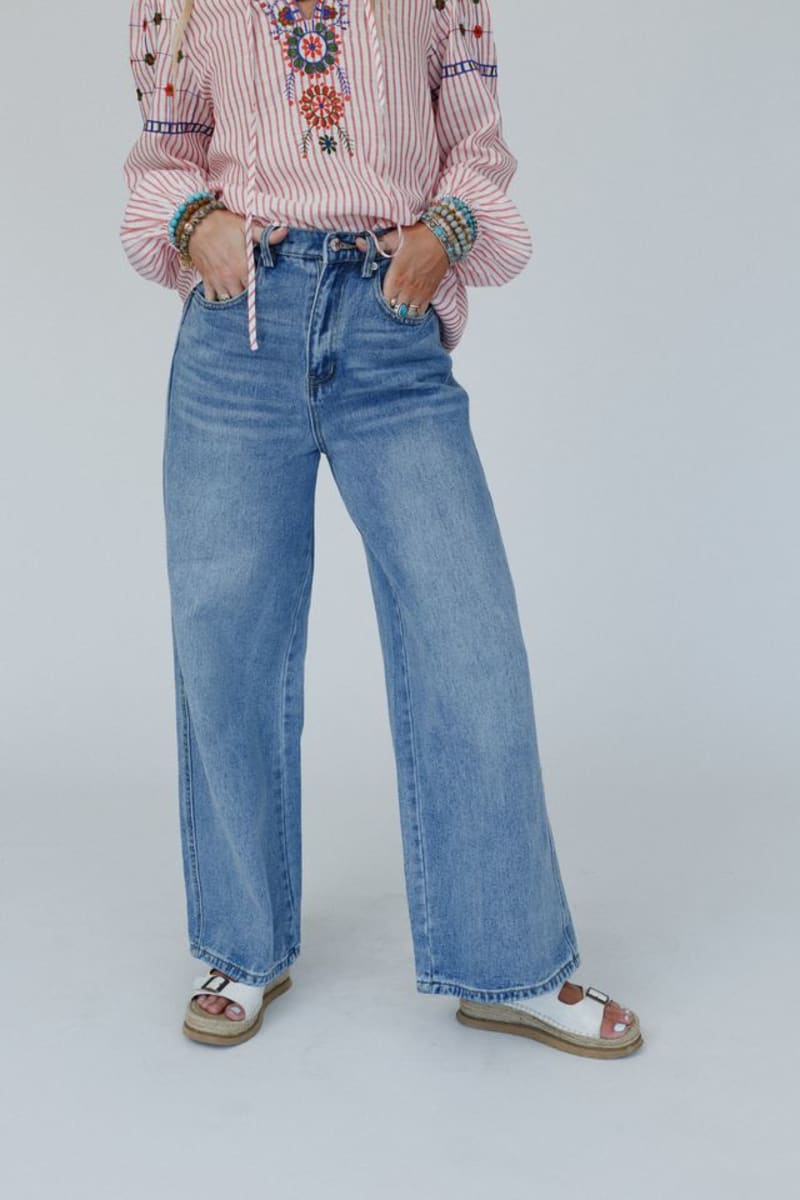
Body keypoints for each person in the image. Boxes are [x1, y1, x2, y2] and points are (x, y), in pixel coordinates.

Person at [120, 0, 643, 1058]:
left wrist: (440, 238)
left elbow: (477, 143)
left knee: (469, 638)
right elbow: (163, 156)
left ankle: (509, 961)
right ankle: (242, 945)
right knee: (227, 647)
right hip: (238, 331)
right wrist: (193, 224)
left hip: (388, 324)